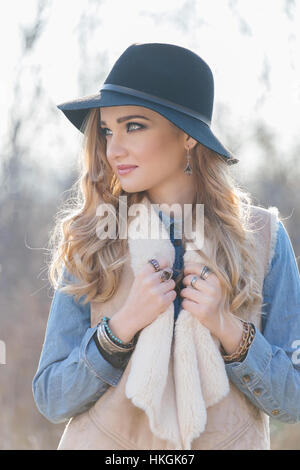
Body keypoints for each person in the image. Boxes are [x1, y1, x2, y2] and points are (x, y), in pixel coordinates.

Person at [32, 43, 300, 450]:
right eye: (107, 130)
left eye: (133, 126)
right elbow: (51, 398)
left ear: (187, 137)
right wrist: (121, 327)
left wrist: (229, 330)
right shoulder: (93, 238)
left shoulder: (262, 238)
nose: (114, 148)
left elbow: (293, 399)